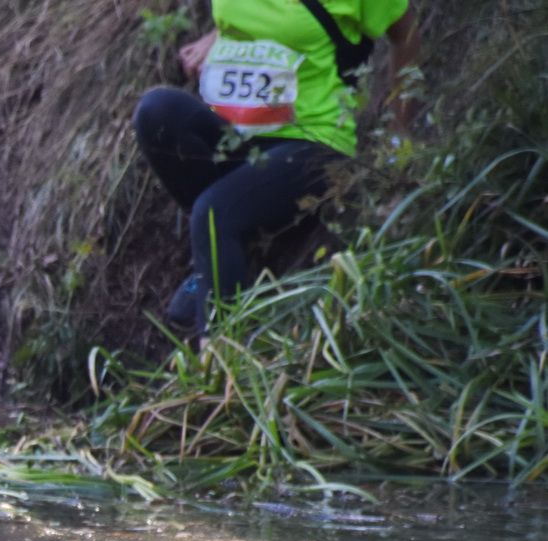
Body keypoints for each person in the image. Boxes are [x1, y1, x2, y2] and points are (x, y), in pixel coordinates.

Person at [132, 0, 421, 335]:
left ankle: (224, 362)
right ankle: (216, 260)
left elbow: (406, 32)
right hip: (238, 138)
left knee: (212, 215)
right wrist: (217, 34)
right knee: (157, 111)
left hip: (313, 146)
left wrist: (400, 138)